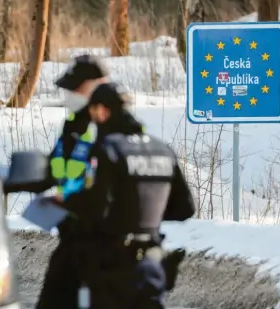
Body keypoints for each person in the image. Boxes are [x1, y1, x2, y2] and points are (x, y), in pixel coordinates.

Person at [55, 82, 195, 309]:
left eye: (93, 114)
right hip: (151, 267)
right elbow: (185, 209)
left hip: (111, 270)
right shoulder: (162, 150)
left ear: (101, 111)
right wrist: (145, 216)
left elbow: (94, 209)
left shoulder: (107, 150)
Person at [31, 54, 109, 309]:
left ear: (96, 86)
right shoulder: (73, 126)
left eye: (75, 89)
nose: (68, 95)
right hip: (71, 239)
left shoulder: (114, 127)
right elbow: (56, 167)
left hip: (105, 244)